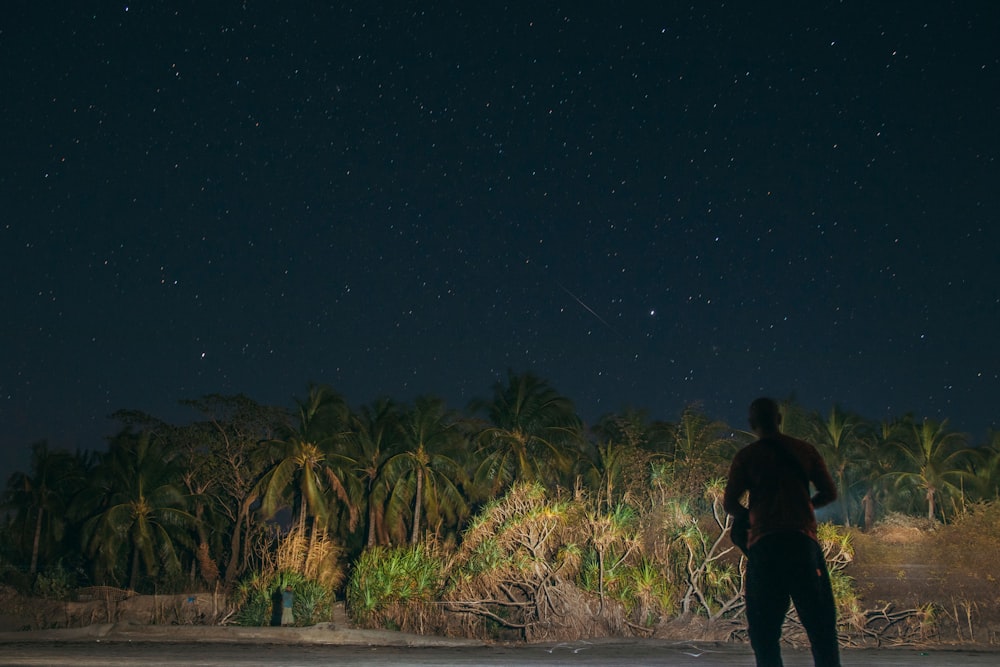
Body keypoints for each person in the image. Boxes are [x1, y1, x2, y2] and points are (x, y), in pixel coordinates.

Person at [723, 397, 841, 667]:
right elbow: (829, 492)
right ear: (779, 419)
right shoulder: (805, 451)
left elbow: (730, 503)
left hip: (766, 549)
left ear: (752, 424)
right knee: (821, 629)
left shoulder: (747, 457)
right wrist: (805, 506)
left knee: (764, 635)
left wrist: (750, 516)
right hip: (802, 544)